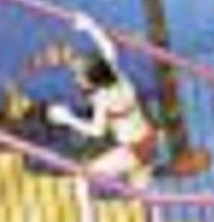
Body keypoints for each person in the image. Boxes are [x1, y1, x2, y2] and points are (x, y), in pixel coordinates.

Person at [47, 11, 159, 188]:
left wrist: (66, 118)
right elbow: (107, 47)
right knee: (140, 190)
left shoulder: (102, 98)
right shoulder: (115, 76)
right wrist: (89, 26)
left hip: (133, 149)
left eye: (80, 77)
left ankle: (87, 213)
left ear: (93, 80)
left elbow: (97, 131)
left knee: (82, 179)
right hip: (147, 139)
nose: (77, 80)